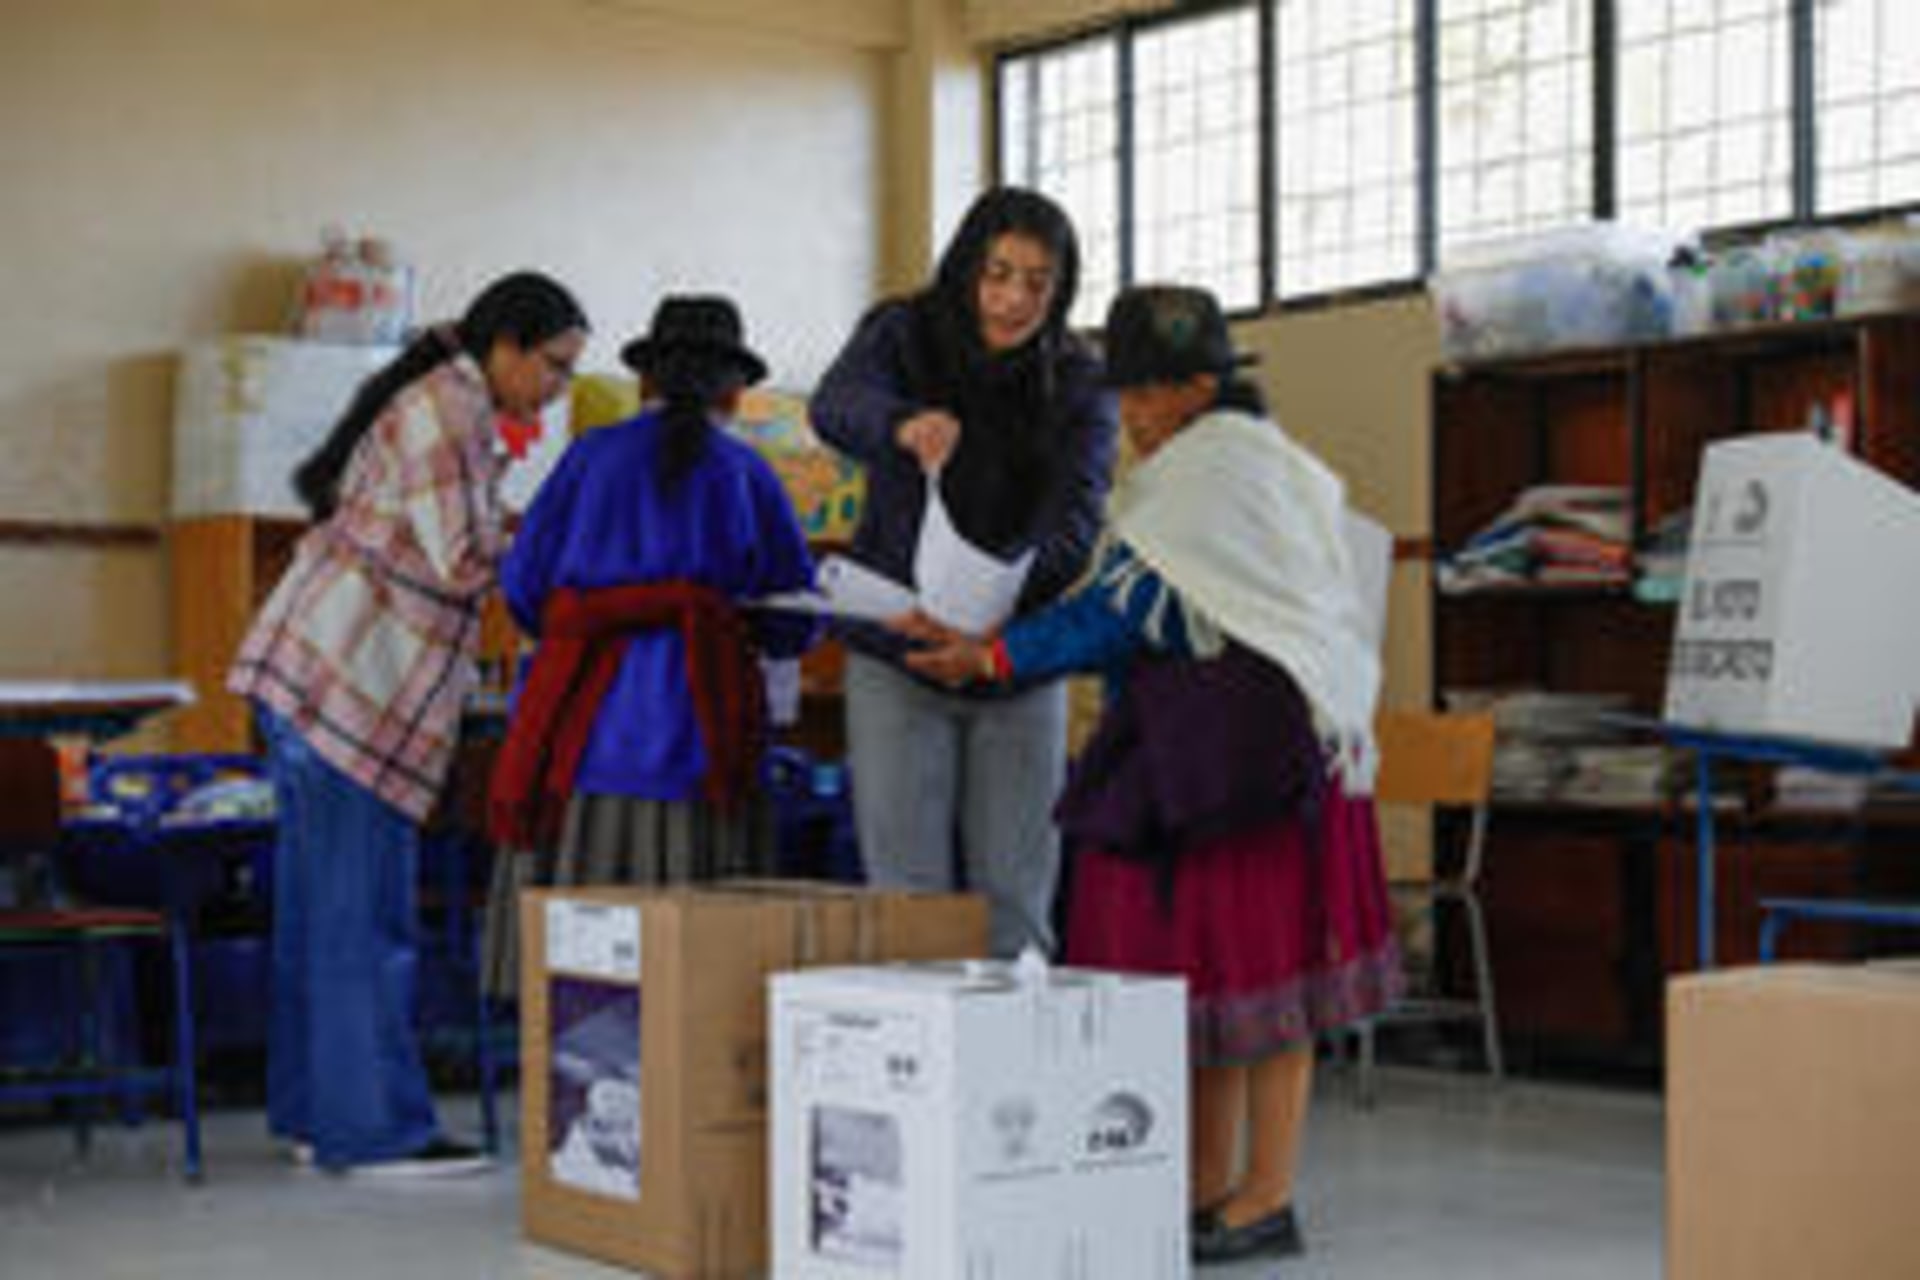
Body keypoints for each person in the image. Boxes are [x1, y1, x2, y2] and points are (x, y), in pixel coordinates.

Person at [900, 284, 1403, 1265]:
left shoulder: (1214, 475)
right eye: (1123, 394)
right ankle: (1205, 1180)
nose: (1132, 416)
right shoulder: (1260, 468)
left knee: (1269, 987)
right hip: (1237, 753)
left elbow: (1128, 609)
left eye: (1148, 395)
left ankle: (1264, 1195)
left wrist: (990, 655)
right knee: (1215, 981)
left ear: (1201, 389)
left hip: (1254, 766)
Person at [229, 270, 589, 1175]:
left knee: (322, 918)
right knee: (363, 918)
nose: (558, 388)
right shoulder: (448, 412)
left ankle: (320, 1116)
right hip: (349, 692)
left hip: (319, 686)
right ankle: (376, 1131)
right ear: (503, 347)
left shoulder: (446, 406)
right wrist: (573, 550)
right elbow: (466, 560)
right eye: (554, 366)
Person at [810, 186, 1119, 957]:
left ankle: (1015, 1070)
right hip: (898, 647)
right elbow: (834, 404)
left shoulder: (1080, 381)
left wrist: (991, 617)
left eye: (1037, 282)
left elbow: (1077, 520)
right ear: (965, 269)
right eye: (998, 273)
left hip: (1016, 659)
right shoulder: (903, 330)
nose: (1014, 299)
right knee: (906, 895)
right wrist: (899, 424)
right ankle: (918, 1070)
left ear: (1062, 288)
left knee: (1016, 893)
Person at [481, 294, 816, 993]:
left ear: (646, 383)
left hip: (587, 734)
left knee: (589, 971)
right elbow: (796, 619)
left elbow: (524, 585)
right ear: (735, 391)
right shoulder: (747, 474)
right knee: (699, 975)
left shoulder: (589, 457)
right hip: (704, 737)